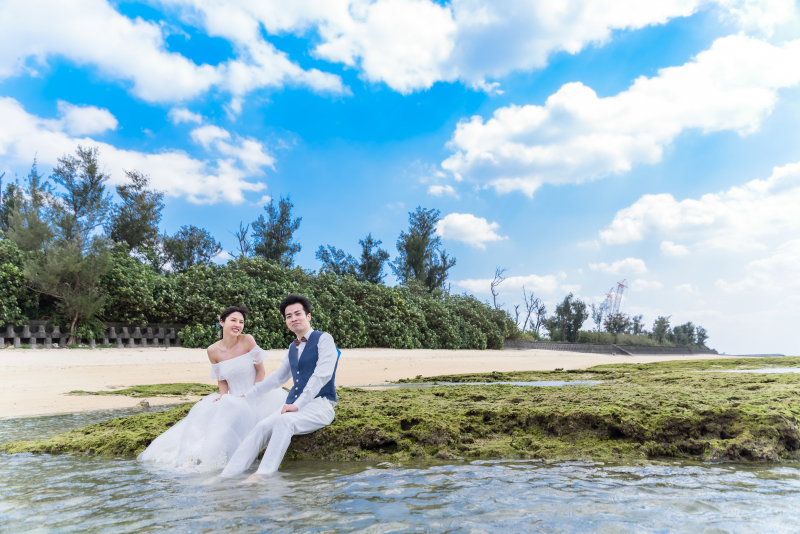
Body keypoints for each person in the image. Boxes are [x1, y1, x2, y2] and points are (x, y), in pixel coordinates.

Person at [137, 305, 286, 472]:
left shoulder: (247, 340)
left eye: (241, 321)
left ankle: (208, 458)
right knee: (204, 415)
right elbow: (222, 379)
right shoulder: (213, 350)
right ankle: (195, 458)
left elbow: (261, 371)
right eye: (233, 320)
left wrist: (252, 393)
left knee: (229, 417)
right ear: (222, 322)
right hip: (232, 397)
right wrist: (223, 397)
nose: (238, 324)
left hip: (257, 394)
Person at [219, 294, 339, 481]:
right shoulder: (293, 346)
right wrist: (248, 395)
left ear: (308, 316)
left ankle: (262, 474)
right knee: (261, 426)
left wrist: (298, 404)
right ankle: (227, 475)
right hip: (296, 406)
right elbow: (277, 378)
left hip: (321, 405)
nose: (293, 319)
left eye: (297, 314)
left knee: (285, 421)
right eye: (288, 316)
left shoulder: (324, 339)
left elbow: (322, 375)